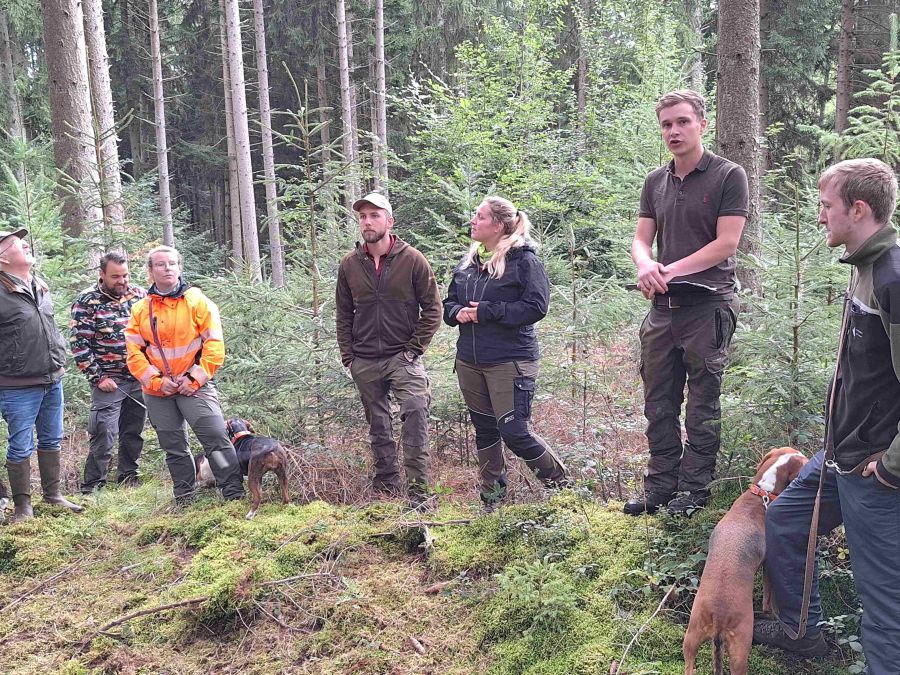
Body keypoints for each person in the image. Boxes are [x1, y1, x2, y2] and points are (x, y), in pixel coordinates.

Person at [753, 159, 900, 670]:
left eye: (825, 205)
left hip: (874, 468)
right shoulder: (863, 267)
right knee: (786, 524)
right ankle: (802, 634)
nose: (820, 216)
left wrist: (891, 467)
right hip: (841, 452)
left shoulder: (892, 278)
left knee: (883, 604)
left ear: (857, 209)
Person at [625, 89, 748, 516]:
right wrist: (646, 265)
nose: (673, 131)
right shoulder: (655, 181)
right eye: (666, 124)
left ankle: (694, 491)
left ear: (702, 124)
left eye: (682, 122)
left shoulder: (728, 175)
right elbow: (641, 239)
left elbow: (727, 243)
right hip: (662, 310)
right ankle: (660, 486)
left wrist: (668, 270)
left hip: (708, 307)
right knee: (658, 402)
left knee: (702, 403)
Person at [443, 197, 568, 507]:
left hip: (510, 360)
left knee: (514, 430)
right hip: (470, 360)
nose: (473, 220)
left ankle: (563, 489)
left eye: (480, 216)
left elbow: (536, 307)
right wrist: (457, 312)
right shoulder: (469, 261)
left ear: (498, 225)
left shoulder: (524, 260)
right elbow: (449, 304)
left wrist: (487, 311)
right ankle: (493, 502)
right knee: (485, 430)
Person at [335, 192, 442, 508]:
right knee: (379, 426)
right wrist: (349, 357)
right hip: (365, 360)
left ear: (389, 221)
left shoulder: (412, 259)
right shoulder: (350, 264)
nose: (367, 222)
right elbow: (343, 313)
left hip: (402, 357)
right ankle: (386, 490)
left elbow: (433, 309)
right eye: (363, 217)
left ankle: (420, 495)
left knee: (415, 412)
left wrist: (413, 350)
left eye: (374, 215)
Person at [125, 245, 244, 503]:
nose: (167, 268)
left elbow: (214, 345)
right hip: (158, 392)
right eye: (160, 264)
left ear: (179, 267)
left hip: (195, 387)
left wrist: (195, 379)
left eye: (172, 263)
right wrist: (156, 382)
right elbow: (134, 353)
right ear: (150, 271)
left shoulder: (198, 302)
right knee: (174, 447)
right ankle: (185, 496)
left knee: (216, 439)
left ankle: (233, 493)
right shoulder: (140, 310)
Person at [0, 228, 84, 521]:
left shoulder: (38, 285)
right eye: (16, 243)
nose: (25, 245)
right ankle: (23, 507)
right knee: (21, 444)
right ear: (2, 258)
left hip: (52, 377)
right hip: (17, 384)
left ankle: (53, 495)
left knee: (51, 438)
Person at [71, 252, 147, 493]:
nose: (121, 281)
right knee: (104, 432)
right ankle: (93, 486)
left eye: (125, 275)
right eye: (115, 276)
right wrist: (98, 377)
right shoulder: (87, 301)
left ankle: (128, 476)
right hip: (108, 380)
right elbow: (79, 344)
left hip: (139, 377)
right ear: (102, 274)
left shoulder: (140, 295)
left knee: (133, 431)